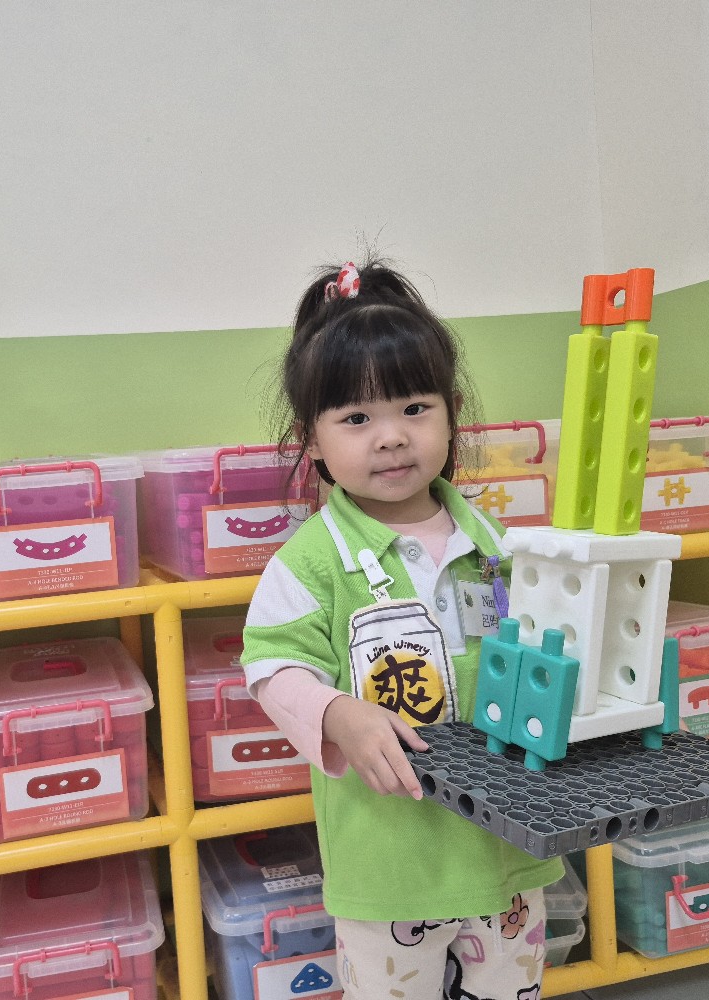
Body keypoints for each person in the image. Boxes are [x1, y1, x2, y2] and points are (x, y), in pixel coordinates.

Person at [241, 258, 562, 1000]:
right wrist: (335, 712)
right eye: (356, 419)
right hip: (390, 861)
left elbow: (539, 646)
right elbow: (271, 665)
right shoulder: (310, 561)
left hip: (505, 851)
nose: (390, 438)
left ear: (452, 413)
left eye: (414, 408)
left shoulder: (495, 543)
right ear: (312, 439)